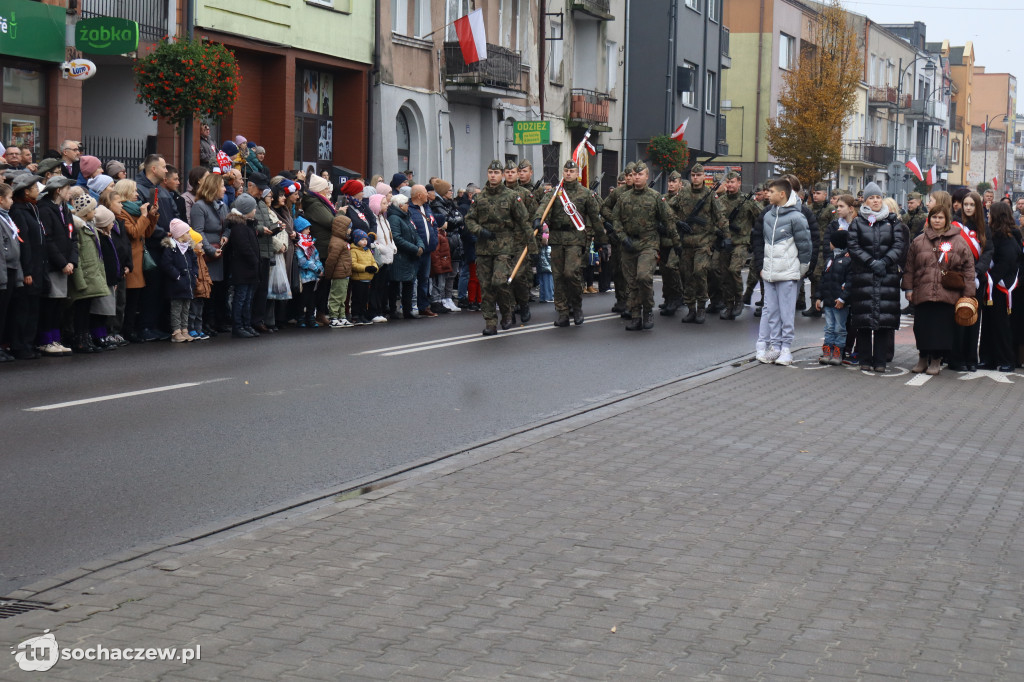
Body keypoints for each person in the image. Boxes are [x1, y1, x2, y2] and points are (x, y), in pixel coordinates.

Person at [902, 203, 976, 375]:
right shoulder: (919, 240)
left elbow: (968, 268)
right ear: (930, 218)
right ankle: (922, 357)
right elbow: (910, 266)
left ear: (947, 219)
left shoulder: (958, 241)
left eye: (941, 217)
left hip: (947, 294)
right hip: (923, 292)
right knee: (922, 328)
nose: (937, 220)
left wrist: (968, 294)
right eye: (934, 217)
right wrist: (908, 289)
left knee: (942, 330)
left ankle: (936, 360)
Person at [465, 160, 533, 335]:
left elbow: (523, 221)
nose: (493, 176)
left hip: (505, 245)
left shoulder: (511, 196)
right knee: (486, 286)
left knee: (500, 281)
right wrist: (480, 231)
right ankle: (490, 322)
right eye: (490, 173)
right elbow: (469, 219)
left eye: (496, 173)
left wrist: (532, 246)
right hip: (484, 246)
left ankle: (507, 311)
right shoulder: (479, 198)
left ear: (502, 175)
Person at [536, 159, 605, 326]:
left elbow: (595, 218)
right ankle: (562, 312)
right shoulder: (555, 193)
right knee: (558, 276)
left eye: (572, 171)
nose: (568, 173)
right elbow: (543, 207)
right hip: (557, 238)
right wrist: (538, 218)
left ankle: (576, 305)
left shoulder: (585, 194)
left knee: (571, 273)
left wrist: (600, 239)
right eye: (566, 171)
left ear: (577, 174)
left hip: (576, 238)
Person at [846, 182, 906, 373]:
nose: (875, 201)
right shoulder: (857, 222)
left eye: (878, 197)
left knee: (883, 322)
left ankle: (880, 360)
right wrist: (871, 262)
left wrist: (885, 261)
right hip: (863, 275)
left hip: (886, 276)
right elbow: (853, 246)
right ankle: (865, 358)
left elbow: (899, 245)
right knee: (863, 321)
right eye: (872, 198)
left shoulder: (892, 220)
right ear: (865, 200)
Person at [752, 178, 811, 364]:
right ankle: (775, 347)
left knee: (786, 313)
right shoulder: (769, 215)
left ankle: (786, 349)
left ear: (782, 194)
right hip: (769, 274)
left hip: (788, 274)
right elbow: (762, 243)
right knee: (772, 313)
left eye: (771, 192)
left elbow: (805, 246)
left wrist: (800, 270)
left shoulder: (797, 217)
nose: (767, 194)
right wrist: (762, 268)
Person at [610, 161, 675, 331]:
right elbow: (615, 219)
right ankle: (635, 315)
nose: (637, 177)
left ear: (647, 176)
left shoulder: (655, 197)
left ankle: (647, 310)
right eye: (635, 174)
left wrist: (676, 242)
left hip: (648, 243)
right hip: (628, 244)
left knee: (643, 277)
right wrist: (623, 238)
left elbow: (668, 219)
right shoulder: (624, 197)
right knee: (631, 283)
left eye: (640, 174)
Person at [670, 163, 727, 323]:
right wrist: (678, 222)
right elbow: (667, 209)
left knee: (700, 271)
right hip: (686, 242)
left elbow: (720, 216)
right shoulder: (683, 194)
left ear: (703, 176)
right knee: (686, 275)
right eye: (693, 175)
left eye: (698, 175)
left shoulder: (710, 195)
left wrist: (727, 237)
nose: (695, 178)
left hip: (704, 242)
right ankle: (691, 309)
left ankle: (701, 306)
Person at [949, 191, 992, 371]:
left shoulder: (984, 227)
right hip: (959, 278)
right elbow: (950, 250)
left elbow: (989, 251)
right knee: (959, 319)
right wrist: (966, 271)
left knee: (974, 319)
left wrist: (977, 271)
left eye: (971, 205)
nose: (967, 207)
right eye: (965, 204)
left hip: (977, 279)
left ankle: (971, 359)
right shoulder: (955, 225)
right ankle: (956, 359)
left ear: (977, 206)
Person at [8, 173, 48, 359]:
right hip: (29, 269)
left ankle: (29, 344)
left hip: (38, 267)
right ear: (25, 191)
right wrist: (28, 270)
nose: (37, 190)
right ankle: (20, 345)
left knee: (33, 309)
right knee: (23, 310)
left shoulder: (32, 209)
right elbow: (24, 242)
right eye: (34, 187)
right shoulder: (18, 211)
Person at [979, 202, 1022, 371]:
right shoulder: (995, 234)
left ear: (998, 215)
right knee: (988, 324)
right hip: (993, 287)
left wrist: (991, 278)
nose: (988, 215)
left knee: (1001, 326)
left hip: (1002, 287)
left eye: (991, 213)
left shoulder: (1009, 236)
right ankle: (987, 358)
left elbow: (1008, 261)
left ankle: (1006, 360)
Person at [37, 174, 77, 355]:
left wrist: (72, 261)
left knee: (59, 304)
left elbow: (73, 237)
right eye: (67, 188)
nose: (70, 192)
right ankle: (46, 341)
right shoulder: (45, 209)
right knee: (50, 304)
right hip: (53, 266)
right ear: (58, 190)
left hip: (65, 265)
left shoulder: (65, 209)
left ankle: (55, 338)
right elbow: (48, 240)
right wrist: (62, 262)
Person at [716, 171, 761, 320]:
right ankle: (729, 304)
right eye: (727, 182)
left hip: (741, 242)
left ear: (739, 183)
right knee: (724, 274)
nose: (730, 185)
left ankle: (739, 301)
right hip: (724, 241)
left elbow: (760, 217)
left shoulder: (747, 201)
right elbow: (714, 219)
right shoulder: (720, 201)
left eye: (732, 182)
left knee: (734, 270)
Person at [189, 173, 229, 334]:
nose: (225, 189)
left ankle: (216, 322)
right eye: (222, 186)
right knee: (206, 289)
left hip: (220, 251)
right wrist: (211, 250)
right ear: (213, 188)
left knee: (219, 289)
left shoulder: (222, 206)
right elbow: (198, 232)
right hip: (206, 254)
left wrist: (226, 237)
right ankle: (204, 323)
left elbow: (228, 226)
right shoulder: (199, 206)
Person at [601, 162, 636, 316]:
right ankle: (621, 299)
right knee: (617, 271)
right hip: (618, 239)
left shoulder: (644, 193)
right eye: (627, 175)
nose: (629, 178)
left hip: (634, 239)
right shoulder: (618, 193)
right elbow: (604, 208)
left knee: (631, 272)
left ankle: (632, 302)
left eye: (631, 175)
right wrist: (614, 221)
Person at [227, 194, 261, 337]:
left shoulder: (247, 225)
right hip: (243, 268)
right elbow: (244, 247)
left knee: (247, 299)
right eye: (253, 208)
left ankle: (246, 324)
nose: (255, 211)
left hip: (250, 269)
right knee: (241, 298)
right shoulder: (239, 228)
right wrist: (254, 260)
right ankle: (238, 326)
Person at [815, 229, 851, 365]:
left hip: (839, 302)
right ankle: (827, 350)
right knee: (829, 327)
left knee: (840, 328)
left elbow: (850, 282)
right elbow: (824, 280)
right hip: (829, 301)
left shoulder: (848, 260)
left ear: (835, 243)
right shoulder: (830, 259)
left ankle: (838, 352)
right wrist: (819, 297)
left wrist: (843, 298)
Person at [160, 219, 198, 343]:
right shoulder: (172, 248)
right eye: (187, 233)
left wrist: (194, 274)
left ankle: (184, 329)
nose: (189, 235)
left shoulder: (188, 248)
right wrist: (177, 276)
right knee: (176, 308)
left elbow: (194, 262)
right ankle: (176, 331)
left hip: (188, 282)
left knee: (186, 308)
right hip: (176, 284)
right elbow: (166, 265)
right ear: (180, 235)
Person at [408, 184, 439, 318]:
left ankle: (423, 306)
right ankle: (410, 305)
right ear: (419, 195)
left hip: (427, 251)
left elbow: (434, 225)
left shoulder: (427, 208)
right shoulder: (409, 209)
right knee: (412, 279)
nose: (428, 195)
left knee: (424, 279)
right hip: (415, 251)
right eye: (426, 192)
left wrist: (435, 240)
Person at [323, 200, 353, 328]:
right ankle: (334, 316)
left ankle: (341, 316)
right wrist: (328, 274)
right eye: (349, 228)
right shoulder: (337, 242)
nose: (350, 231)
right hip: (339, 273)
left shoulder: (342, 240)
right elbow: (331, 260)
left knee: (342, 296)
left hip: (344, 273)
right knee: (336, 296)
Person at [0, 183, 22, 362]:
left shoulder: (7, 217)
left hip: (12, 270)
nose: (12, 201)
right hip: (3, 272)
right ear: (1, 199)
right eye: (9, 198)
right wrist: (3, 278)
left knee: (6, 312)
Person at [294, 216, 323, 326]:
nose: (309, 231)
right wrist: (316, 269)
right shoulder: (299, 245)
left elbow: (316, 258)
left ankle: (311, 317)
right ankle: (300, 317)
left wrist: (320, 269)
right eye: (306, 229)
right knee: (303, 298)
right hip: (304, 276)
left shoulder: (311, 245)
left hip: (313, 276)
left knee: (312, 298)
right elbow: (302, 261)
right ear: (300, 230)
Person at [349, 229, 378, 325]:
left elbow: (373, 261)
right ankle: (355, 315)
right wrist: (365, 268)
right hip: (358, 279)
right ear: (356, 240)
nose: (365, 242)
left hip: (367, 279)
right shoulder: (354, 251)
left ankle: (363, 315)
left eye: (366, 239)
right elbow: (353, 264)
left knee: (365, 299)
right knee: (357, 298)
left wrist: (375, 268)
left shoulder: (368, 251)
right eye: (362, 240)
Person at [537, 230, 553, 303]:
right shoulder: (545, 228)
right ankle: (549, 296)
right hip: (546, 259)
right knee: (548, 279)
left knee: (542, 279)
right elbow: (545, 241)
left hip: (541, 258)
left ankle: (543, 296)